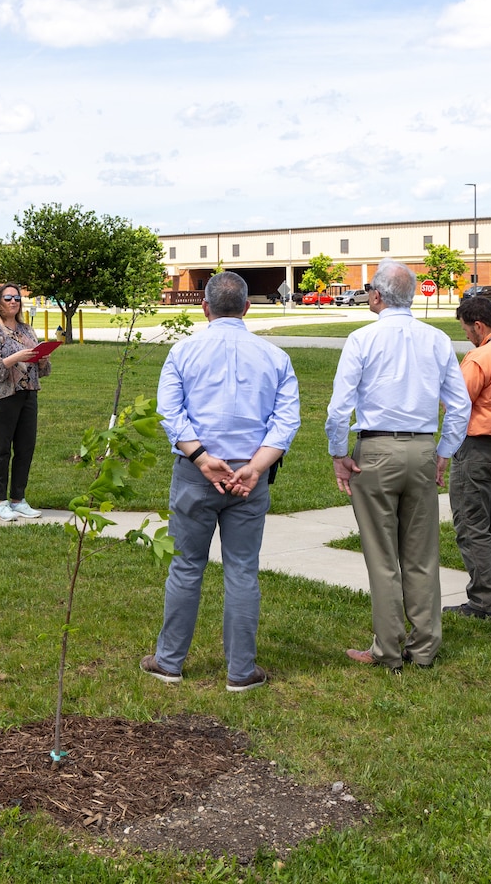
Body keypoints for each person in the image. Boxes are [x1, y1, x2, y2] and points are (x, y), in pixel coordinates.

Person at [143, 271, 299, 692]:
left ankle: (170, 661)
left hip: (197, 474)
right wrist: (256, 465)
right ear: (248, 308)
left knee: (186, 566)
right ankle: (240, 670)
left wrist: (201, 457)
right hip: (250, 476)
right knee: (243, 570)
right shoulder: (275, 357)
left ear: (205, 307)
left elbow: (169, 414)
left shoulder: (183, 352)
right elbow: (286, 422)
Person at [327, 260, 470, 672]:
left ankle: (388, 648)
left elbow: (340, 408)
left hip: (375, 451)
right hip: (422, 448)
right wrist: (444, 452)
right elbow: (459, 406)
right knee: (422, 553)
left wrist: (339, 455)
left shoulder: (362, 339)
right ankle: (424, 647)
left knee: (382, 554)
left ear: (376, 295)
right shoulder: (438, 338)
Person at [445, 295, 491, 622]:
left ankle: (482, 603)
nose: (465, 335)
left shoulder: (480, 356)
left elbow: (456, 404)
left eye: (465, 329)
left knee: (472, 525)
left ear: (479, 325)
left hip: (477, 449)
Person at [0, 285, 51, 521]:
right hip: (0, 397)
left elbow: (44, 371)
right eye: (8, 297)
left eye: (17, 298)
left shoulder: (27, 330)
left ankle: (18, 499)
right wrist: (17, 357)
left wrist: (42, 358)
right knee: (1, 450)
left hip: (28, 394)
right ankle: (2, 502)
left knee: (25, 448)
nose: (13, 301)